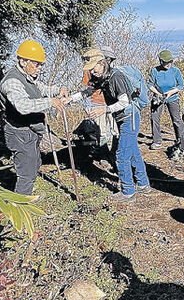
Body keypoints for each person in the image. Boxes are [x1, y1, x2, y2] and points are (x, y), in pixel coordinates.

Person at [62, 48, 150, 203]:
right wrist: (70, 99)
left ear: (102, 63)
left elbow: (124, 101)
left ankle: (128, 192)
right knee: (133, 152)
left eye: (94, 67)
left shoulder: (116, 77)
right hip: (122, 118)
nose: (92, 71)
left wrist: (105, 109)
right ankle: (143, 184)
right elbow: (87, 92)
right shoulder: (102, 77)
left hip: (130, 117)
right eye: (89, 68)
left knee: (121, 155)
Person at [0, 40, 63, 195]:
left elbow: (41, 89)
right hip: (19, 133)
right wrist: (50, 102)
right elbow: (22, 106)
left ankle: (26, 199)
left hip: (31, 131)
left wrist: (58, 90)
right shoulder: (12, 81)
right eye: (36, 64)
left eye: (40, 64)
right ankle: (20, 208)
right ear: (23, 61)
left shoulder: (27, 76)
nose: (39, 68)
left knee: (34, 164)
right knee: (26, 173)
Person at [148, 49, 184, 155]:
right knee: (154, 118)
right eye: (166, 61)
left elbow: (181, 85)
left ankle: (182, 141)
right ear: (161, 61)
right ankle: (157, 141)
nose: (168, 64)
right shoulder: (154, 71)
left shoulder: (175, 71)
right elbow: (150, 84)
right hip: (158, 97)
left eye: (170, 61)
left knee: (176, 120)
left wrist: (171, 92)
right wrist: (158, 93)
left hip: (172, 97)